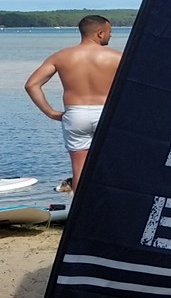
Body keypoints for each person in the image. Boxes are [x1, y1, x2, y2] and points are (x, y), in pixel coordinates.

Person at [23, 15, 123, 192]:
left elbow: (32, 84)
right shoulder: (117, 57)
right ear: (100, 33)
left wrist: (51, 112)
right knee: (113, 166)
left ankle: (81, 214)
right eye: (109, 32)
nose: (111, 36)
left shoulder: (62, 56)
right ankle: (111, 212)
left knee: (79, 169)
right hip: (107, 113)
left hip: (75, 114)